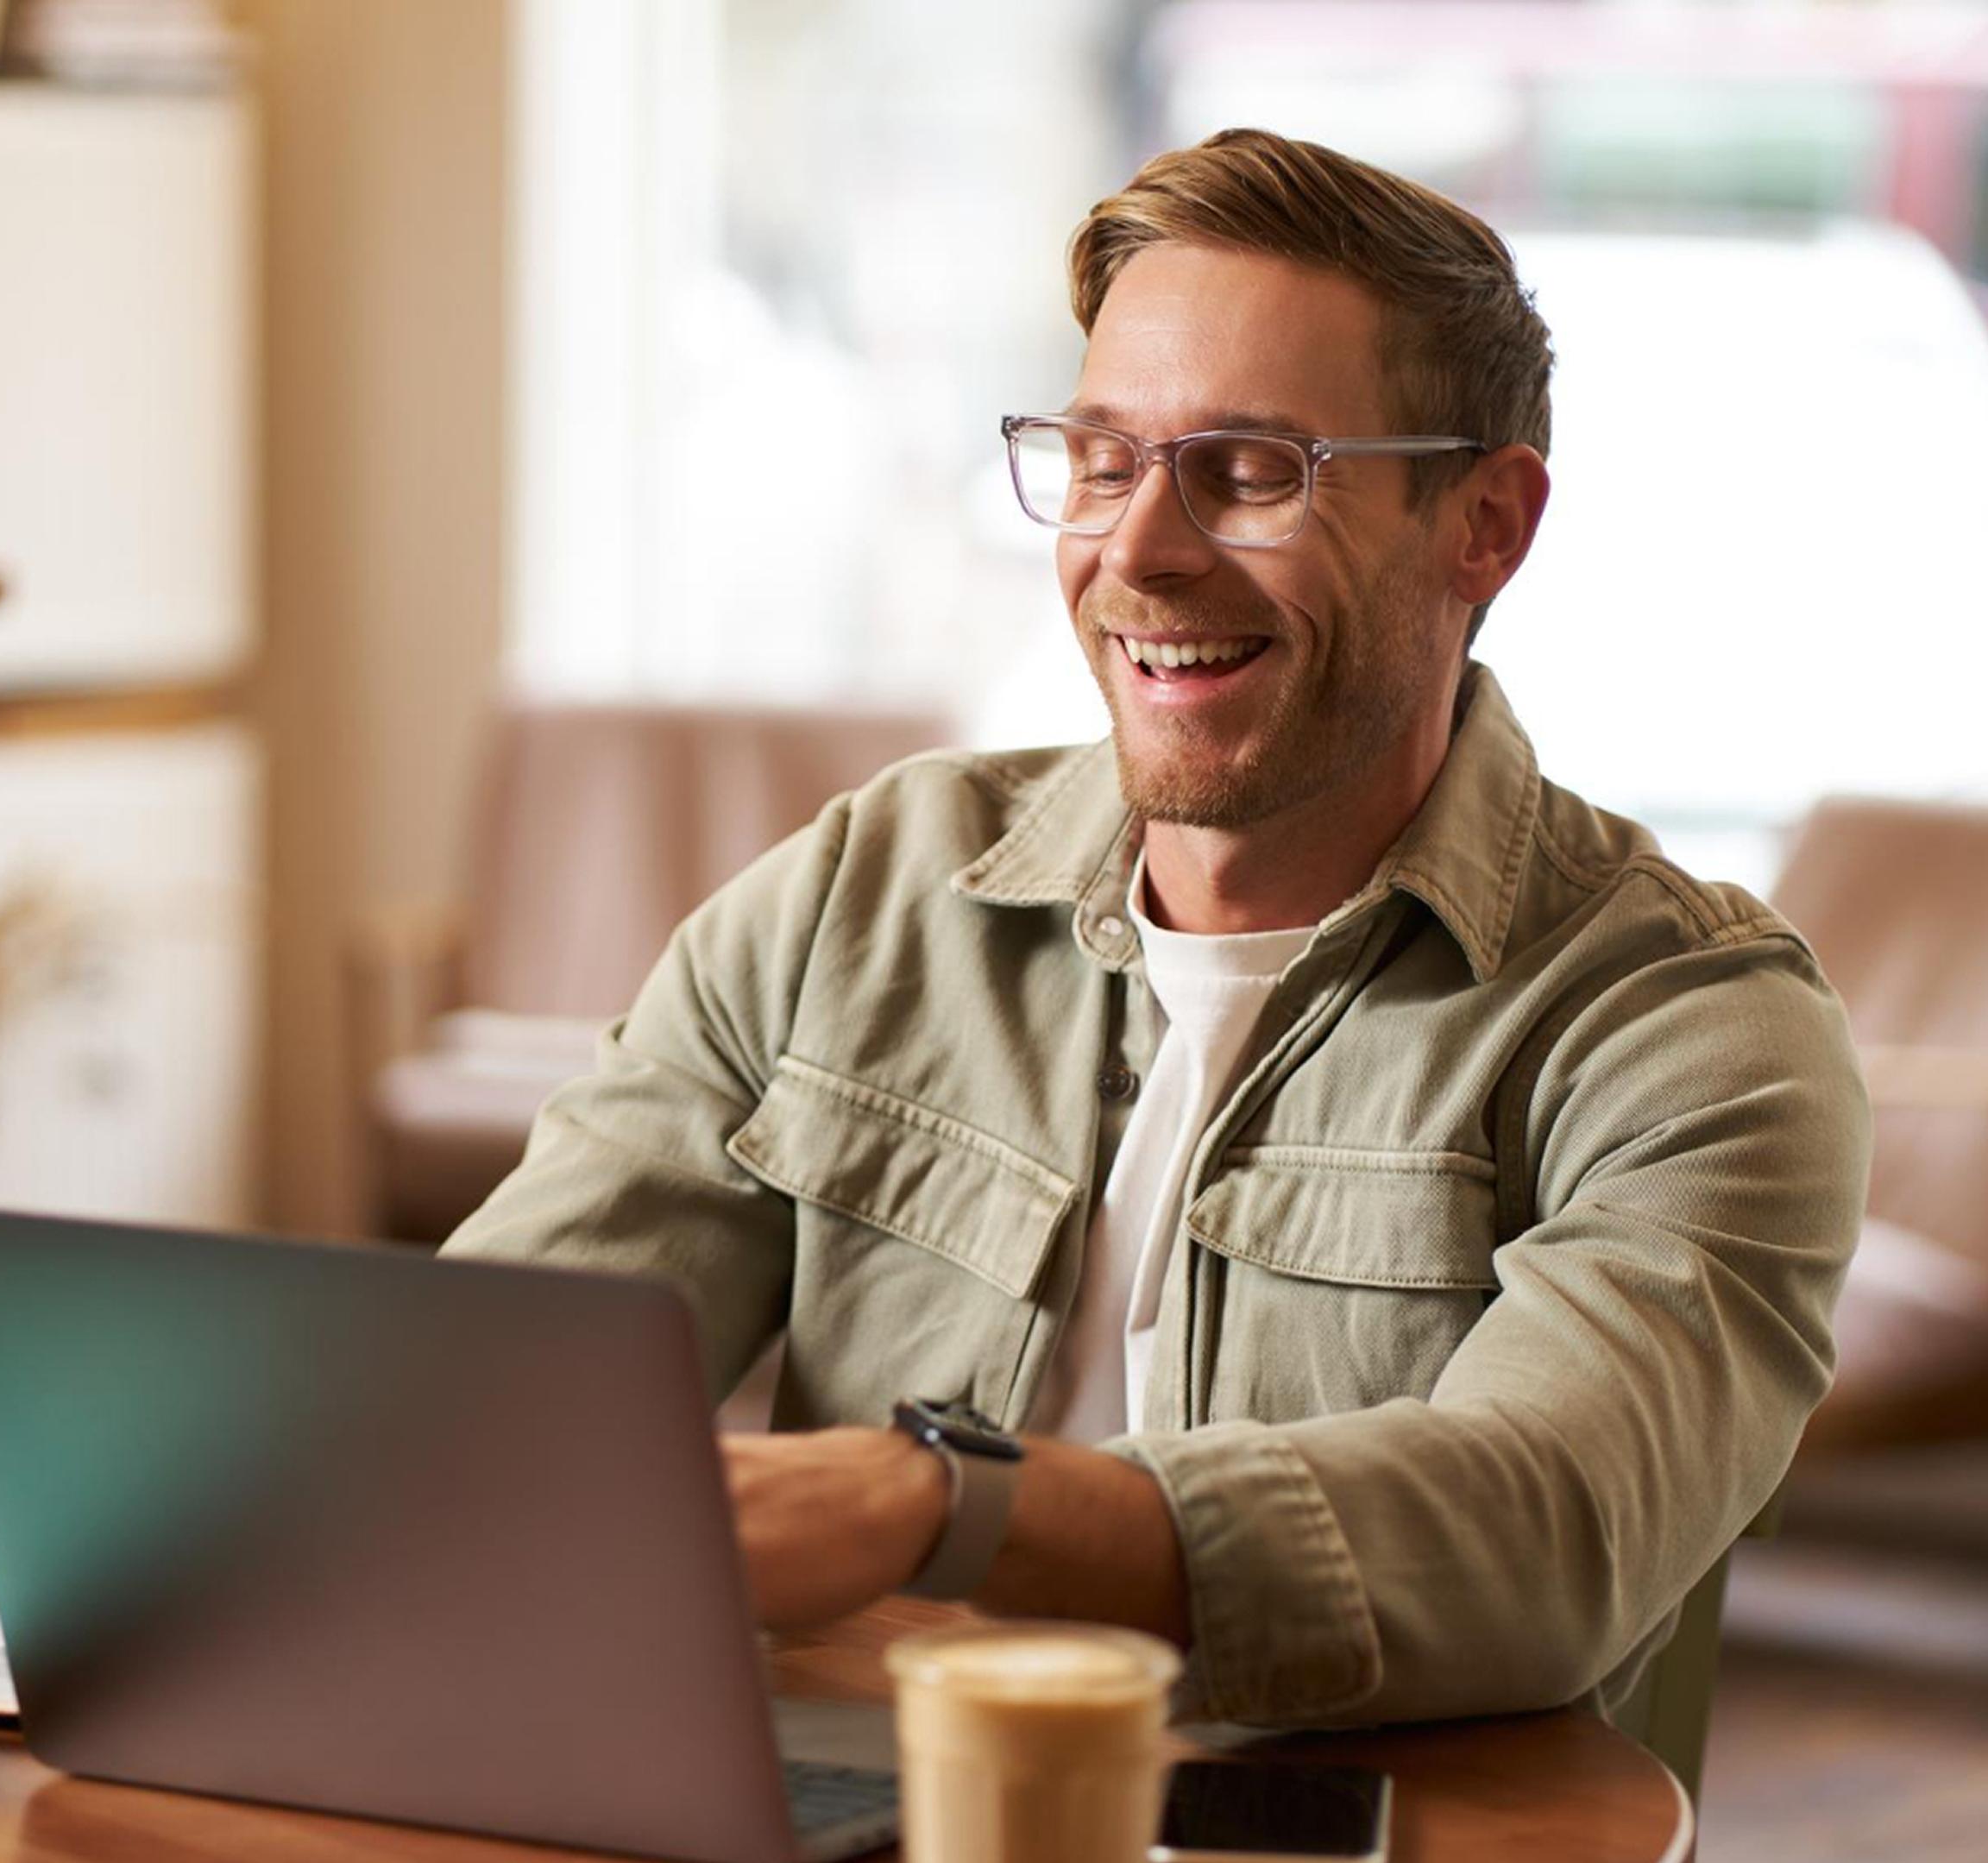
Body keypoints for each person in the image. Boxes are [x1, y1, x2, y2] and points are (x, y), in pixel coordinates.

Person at [444, 127, 1868, 1729]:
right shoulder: (861, 895)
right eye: (1104, 462)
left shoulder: (1688, 1029)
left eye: (1253, 474)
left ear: (1485, 527)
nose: (1138, 552)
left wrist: (939, 1501)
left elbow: (1543, 1528)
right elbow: (500, 1399)